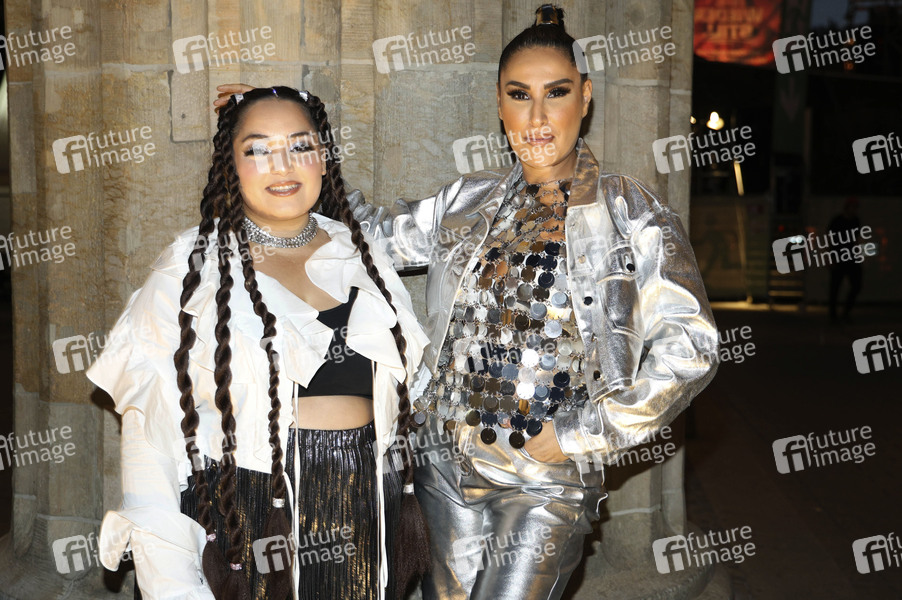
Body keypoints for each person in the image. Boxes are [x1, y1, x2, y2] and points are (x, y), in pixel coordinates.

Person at [216, 5, 718, 599]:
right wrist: (297, 139)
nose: (537, 118)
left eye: (556, 93)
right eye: (519, 95)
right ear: (500, 104)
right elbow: (369, 234)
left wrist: (580, 434)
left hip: (544, 479)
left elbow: (691, 348)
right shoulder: (467, 201)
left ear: (584, 98)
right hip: (443, 466)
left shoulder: (631, 213)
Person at [86, 86, 430, 600]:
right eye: (258, 149)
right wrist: (170, 582)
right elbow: (148, 441)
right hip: (243, 516)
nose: (282, 165)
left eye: (300, 145)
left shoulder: (363, 255)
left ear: (324, 158)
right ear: (231, 163)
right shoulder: (190, 268)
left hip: (363, 513)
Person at [827, 197, 863, 323]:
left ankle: (845, 311)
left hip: (850, 256)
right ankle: (833, 314)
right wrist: (829, 257)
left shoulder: (856, 221)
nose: (855, 210)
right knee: (835, 286)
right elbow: (829, 239)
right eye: (853, 207)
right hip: (838, 256)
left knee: (856, 285)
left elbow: (856, 240)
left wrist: (857, 254)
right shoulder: (837, 221)